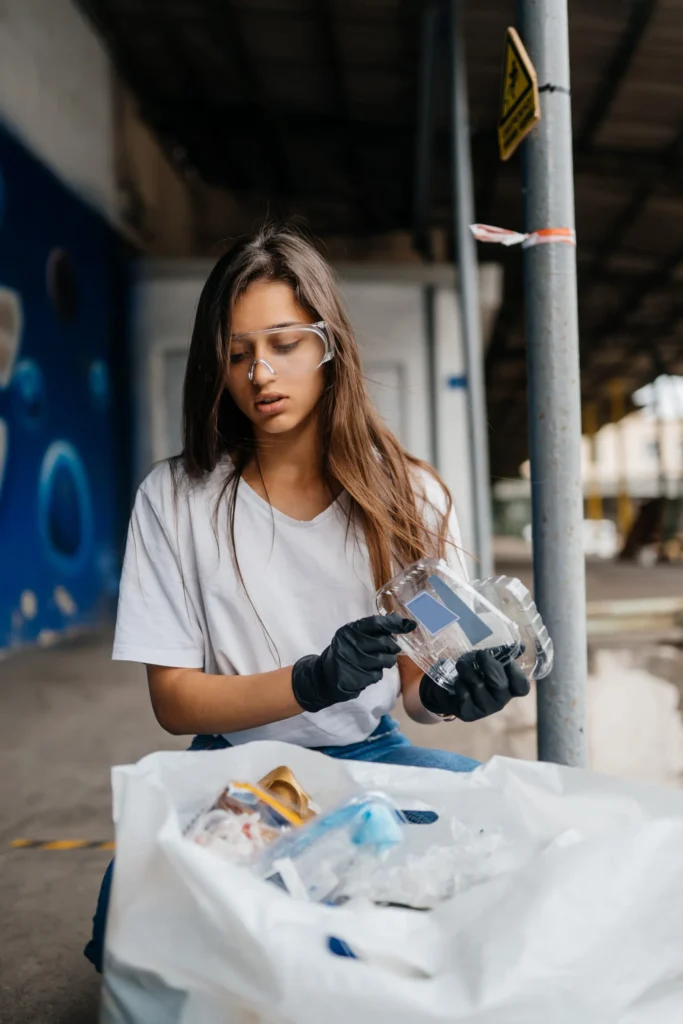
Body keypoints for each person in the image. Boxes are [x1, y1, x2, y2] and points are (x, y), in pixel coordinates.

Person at [85, 224, 529, 971]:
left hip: (373, 755)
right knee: (129, 920)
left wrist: (454, 693)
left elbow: (419, 684)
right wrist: (310, 681)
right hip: (235, 765)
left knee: (505, 844)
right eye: (236, 354)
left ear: (329, 346)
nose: (260, 373)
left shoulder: (409, 497)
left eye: (285, 344)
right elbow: (176, 702)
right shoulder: (175, 498)